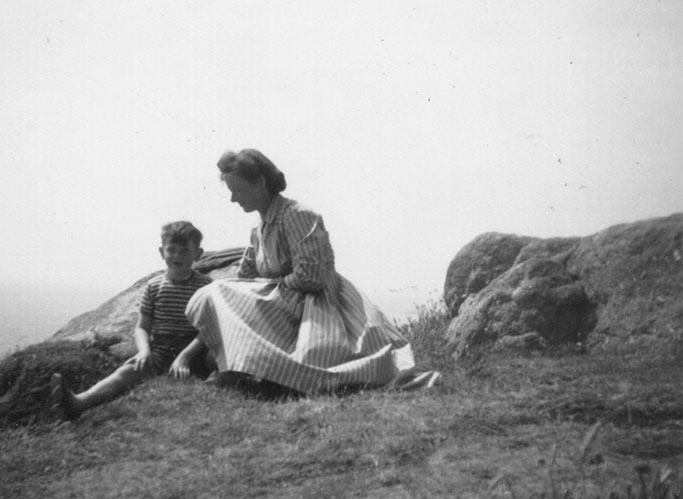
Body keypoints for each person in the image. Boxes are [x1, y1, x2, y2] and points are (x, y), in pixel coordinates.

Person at [176, 149, 431, 395]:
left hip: (317, 305)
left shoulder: (297, 215)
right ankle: (237, 367)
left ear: (260, 182)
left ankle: (253, 372)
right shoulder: (258, 229)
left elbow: (311, 278)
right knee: (218, 292)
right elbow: (243, 279)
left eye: (238, 190)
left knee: (220, 292)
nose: (234, 199)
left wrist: (270, 285)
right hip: (285, 303)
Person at [50, 221, 214, 419]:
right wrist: (144, 351)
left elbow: (207, 329)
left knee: (215, 359)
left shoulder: (206, 286)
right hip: (162, 349)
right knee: (128, 371)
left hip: (194, 349)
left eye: (184, 251)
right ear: (162, 252)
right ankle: (79, 401)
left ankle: (227, 379)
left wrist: (185, 357)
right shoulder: (153, 286)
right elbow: (142, 328)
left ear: (198, 253)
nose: (177, 256)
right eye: (171, 250)